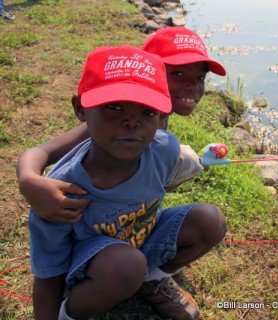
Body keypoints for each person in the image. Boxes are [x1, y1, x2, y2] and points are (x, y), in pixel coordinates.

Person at [27, 45, 226, 320]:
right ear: (80, 109)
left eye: (147, 112)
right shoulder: (62, 193)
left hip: (140, 238)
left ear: (162, 116)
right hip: (95, 267)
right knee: (125, 265)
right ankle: (70, 314)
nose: (131, 122)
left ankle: (152, 279)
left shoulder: (166, 149)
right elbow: (49, 275)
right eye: (114, 107)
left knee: (209, 220)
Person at [17, 26, 226, 224]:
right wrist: (29, 181)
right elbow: (42, 150)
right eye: (178, 74)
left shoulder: (157, 117)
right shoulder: (114, 124)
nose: (192, 85)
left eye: (199, 77)